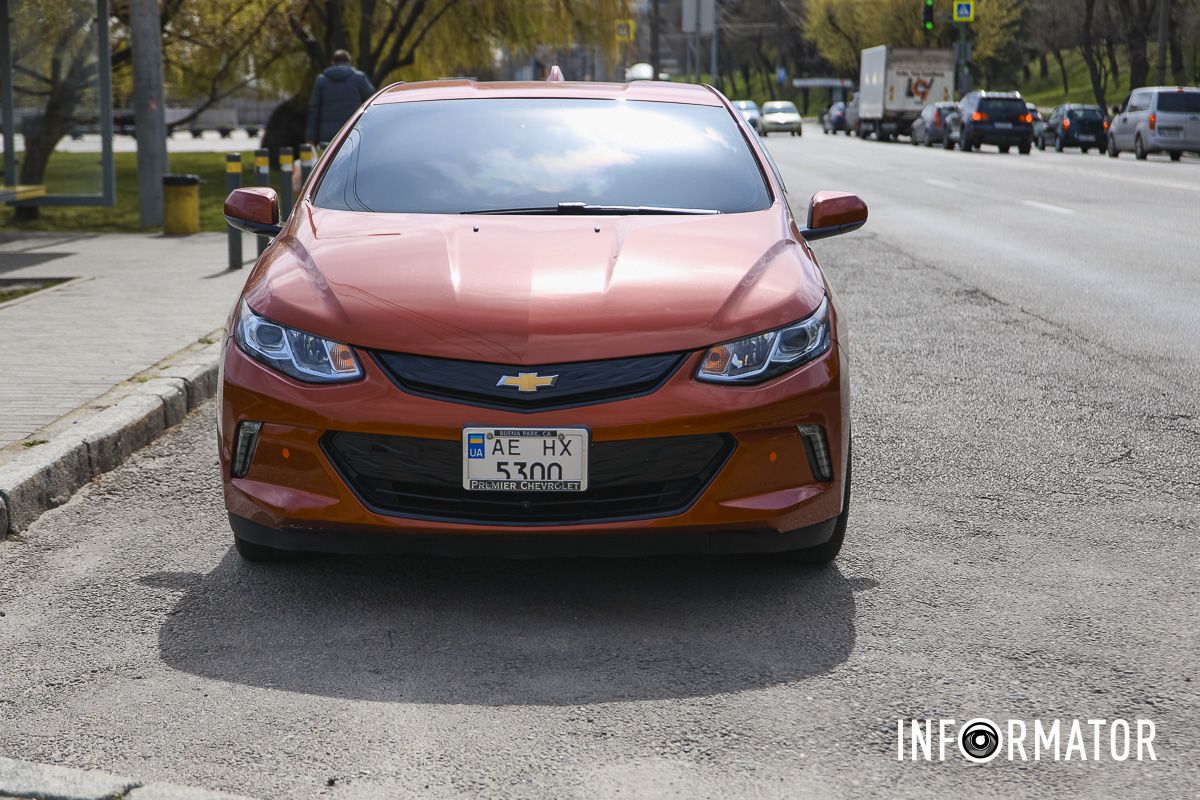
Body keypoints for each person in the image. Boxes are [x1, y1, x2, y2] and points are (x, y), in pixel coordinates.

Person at [305, 50, 375, 145]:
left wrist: (310, 137)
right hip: (352, 130)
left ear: (332, 63)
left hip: (327, 134)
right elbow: (373, 100)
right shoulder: (359, 78)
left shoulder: (321, 80)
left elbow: (314, 111)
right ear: (349, 62)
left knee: (329, 158)